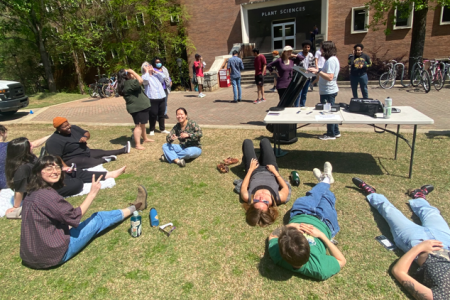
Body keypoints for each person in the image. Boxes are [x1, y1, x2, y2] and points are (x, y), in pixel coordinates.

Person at [19, 155, 147, 269]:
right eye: (48, 168)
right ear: (38, 172)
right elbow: (75, 216)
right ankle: (136, 207)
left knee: (73, 224)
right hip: (53, 255)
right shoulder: (49, 196)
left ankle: (135, 207)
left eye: (57, 167)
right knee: (99, 218)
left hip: (29, 256)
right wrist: (92, 193)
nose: (55, 171)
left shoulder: (32, 193)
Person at [352, 178, 450, 300]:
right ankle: (418, 196)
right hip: (445, 240)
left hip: (417, 243)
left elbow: (398, 271)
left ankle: (371, 193)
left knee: (390, 212)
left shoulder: (440, 297)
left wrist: (420, 247)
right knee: (432, 213)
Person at [4, 138, 126, 218]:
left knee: (73, 172)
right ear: (23, 150)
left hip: (45, 180)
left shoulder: (29, 158)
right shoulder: (21, 169)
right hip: (40, 189)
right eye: (29, 144)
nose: (32, 144)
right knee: (77, 184)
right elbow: (19, 191)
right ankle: (104, 176)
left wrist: (57, 169)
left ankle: (109, 175)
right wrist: (16, 207)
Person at [268, 162, 346, 280]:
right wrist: (322, 236)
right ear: (308, 251)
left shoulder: (277, 254)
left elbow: (272, 236)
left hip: (300, 212)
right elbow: (341, 260)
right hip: (325, 222)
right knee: (327, 197)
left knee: (311, 196)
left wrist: (291, 225)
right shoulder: (319, 268)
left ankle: (325, 180)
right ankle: (325, 180)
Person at [240, 138, 289, 227]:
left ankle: (252, 159)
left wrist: (250, 169)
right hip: (270, 169)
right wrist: (274, 171)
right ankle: (262, 157)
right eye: (265, 201)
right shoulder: (278, 198)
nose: (261, 197)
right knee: (265, 141)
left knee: (247, 142)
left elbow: (243, 187)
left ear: (252, 205)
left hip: (254, 171)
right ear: (269, 208)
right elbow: (285, 188)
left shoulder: (247, 197)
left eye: (257, 200)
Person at [45, 117, 130, 168]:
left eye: (68, 124)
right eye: (65, 127)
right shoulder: (54, 140)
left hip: (85, 151)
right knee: (90, 162)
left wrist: (85, 137)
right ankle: (105, 160)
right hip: (71, 159)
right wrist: (65, 167)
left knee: (102, 152)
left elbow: (86, 132)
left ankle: (123, 150)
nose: (68, 127)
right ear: (58, 129)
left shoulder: (73, 128)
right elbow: (56, 157)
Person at [308, 41, 341, 140]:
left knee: (328, 113)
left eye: (321, 48)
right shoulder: (332, 59)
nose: (320, 51)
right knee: (331, 112)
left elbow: (330, 77)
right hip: (328, 91)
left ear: (326, 49)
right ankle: (335, 131)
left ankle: (330, 134)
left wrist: (318, 71)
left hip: (328, 91)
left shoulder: (331, 60)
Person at [0, 125, 49, 191]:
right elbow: (34, 144)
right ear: (2, 133)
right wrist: (51, 135)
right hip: (11, 185)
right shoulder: (11, 146)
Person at [117, 68, 153, 150]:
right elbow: (141, 81)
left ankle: (145, 138)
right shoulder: (129, 83)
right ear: (127, 75)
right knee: (138, 126)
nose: (133, 74)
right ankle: (137, 144)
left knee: (142, 124)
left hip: (139, 107)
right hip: (138, 108)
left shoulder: (125, 84)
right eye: (130, 73)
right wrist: (133, 71)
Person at [141, 61, 170, 136]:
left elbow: (164, 77)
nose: (149, 66)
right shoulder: (144, 76)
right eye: (147, 66)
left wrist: (155, 71)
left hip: (161, 96)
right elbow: (145, 81)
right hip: (152, 98)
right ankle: (152, 129)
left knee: (161, 113)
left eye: (150, 65)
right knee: (153, 114)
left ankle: (162, 128)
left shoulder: (156, 75)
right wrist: (147, 71)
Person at [293, 40, 315, 107]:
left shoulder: (311, 55)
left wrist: (312, 71)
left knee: (304, 93)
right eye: (305, 47)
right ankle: (296, 106)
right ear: (303, 47)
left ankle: (302, 105)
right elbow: (295, 66)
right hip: (300, 77)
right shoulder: (299, 55)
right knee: (298, 93)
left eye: (308, 47)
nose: (307, 48)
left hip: (307, 77)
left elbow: (313, 65)